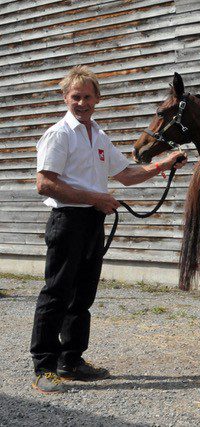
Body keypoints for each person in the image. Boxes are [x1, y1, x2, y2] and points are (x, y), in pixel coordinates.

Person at [31, 66, 187, 393]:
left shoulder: (99, 135)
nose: (82, 102)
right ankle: (45, 367)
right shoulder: (60, 134)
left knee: (83, 294)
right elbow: (45, 184)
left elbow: (126, 174)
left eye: (88, 96)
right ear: (66, 98)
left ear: (97, 99)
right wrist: (94, 197)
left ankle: (71, 361)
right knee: (56, 293)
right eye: (76, 97)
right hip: (68, 221)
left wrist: (163, 163)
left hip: (93, 220)